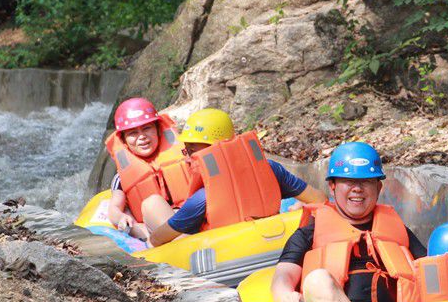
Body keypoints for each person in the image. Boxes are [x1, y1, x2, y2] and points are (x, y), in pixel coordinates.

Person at [270, 142, 427, 302]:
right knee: (317, 280)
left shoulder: (398, 230)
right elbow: (283, 277)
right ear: (332, 186)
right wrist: (286, 296)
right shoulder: (308, 234)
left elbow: (429, 272)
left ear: (378, 188)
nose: (357, 188)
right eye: (348, 181)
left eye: (366, 181)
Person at [147, 108, 326, 246]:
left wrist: (149, 241)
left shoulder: (204, 198)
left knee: (151, 204)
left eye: (191, 150)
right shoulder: (271, 168)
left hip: (223, 253)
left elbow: (157, 240)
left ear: (214, 150)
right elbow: (319, 199)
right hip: (272, 242)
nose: (187, 158)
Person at [105, 97, 193, 238]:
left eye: (147, 128)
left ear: (158, 130)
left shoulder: (185, 156)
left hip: (189, 217)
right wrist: (121, 217)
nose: (142, 137)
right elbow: (114, 208)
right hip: (156, 227)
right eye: (133, 133)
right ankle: (178, 240)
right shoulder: (120, 178)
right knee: (152, 203)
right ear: (124, 140)